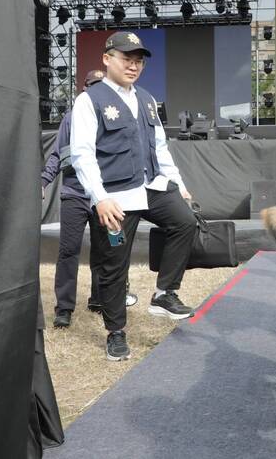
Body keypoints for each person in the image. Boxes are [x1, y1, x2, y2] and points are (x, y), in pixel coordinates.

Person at [70, 32, 198, 361]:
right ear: (106, 58)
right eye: (126, 58)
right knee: (114, 267)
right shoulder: (90, 100)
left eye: (138, 60)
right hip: (115, 196)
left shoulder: (146, 99)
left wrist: (177, 183)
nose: (133, 65)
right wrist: (99, 198)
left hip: (150, 186)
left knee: (185, 221)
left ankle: (164, 293)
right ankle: (116, 332)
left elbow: (160, 147)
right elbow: (82, 155)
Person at [41, 69, 136, 328]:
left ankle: (100, 298)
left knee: (108, 250)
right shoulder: (72, 118)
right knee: (68, 251)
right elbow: (57, 155)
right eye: (91, 85)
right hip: (74, 194)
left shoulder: (116, 115)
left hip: (106, 196)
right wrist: (43, 181)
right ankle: (64, 308)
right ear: (85, 89)